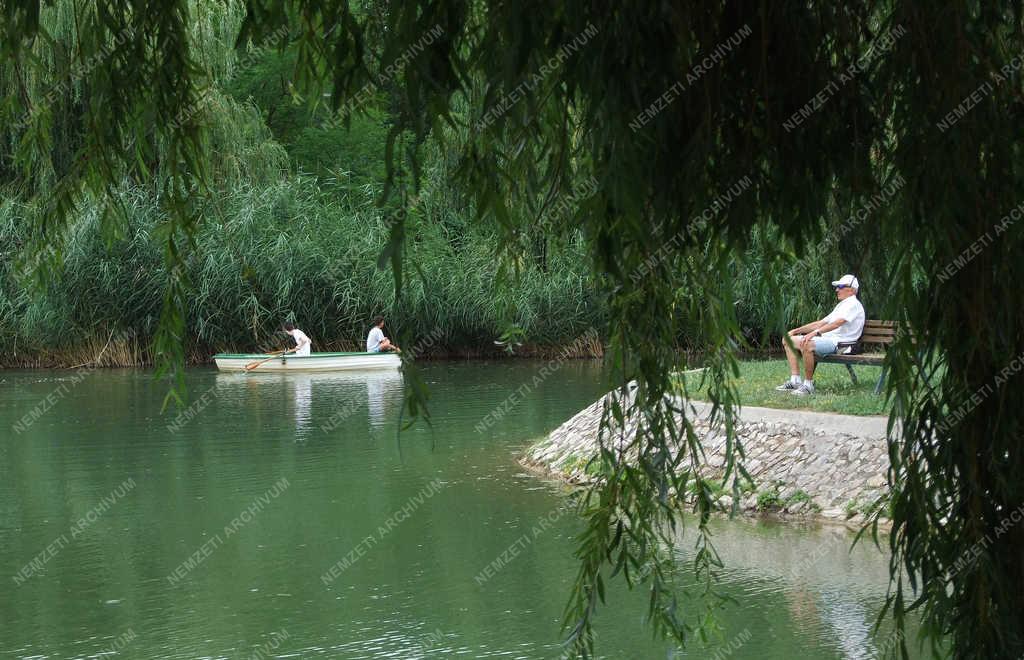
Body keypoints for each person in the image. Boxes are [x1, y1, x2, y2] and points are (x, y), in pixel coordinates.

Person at [776, 274, 865, 396]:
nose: (837, 289)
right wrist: (796, 331)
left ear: (852, 290)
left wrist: (815, 333)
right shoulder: (842, 305)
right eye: (837, 287)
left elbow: (837, 323)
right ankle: (795, 380)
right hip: (829, 340)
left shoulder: (853, 304)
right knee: (787, 340)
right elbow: (821, 323)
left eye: (841, 286)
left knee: (807, 344)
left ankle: (808, 385)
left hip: (841, 345)